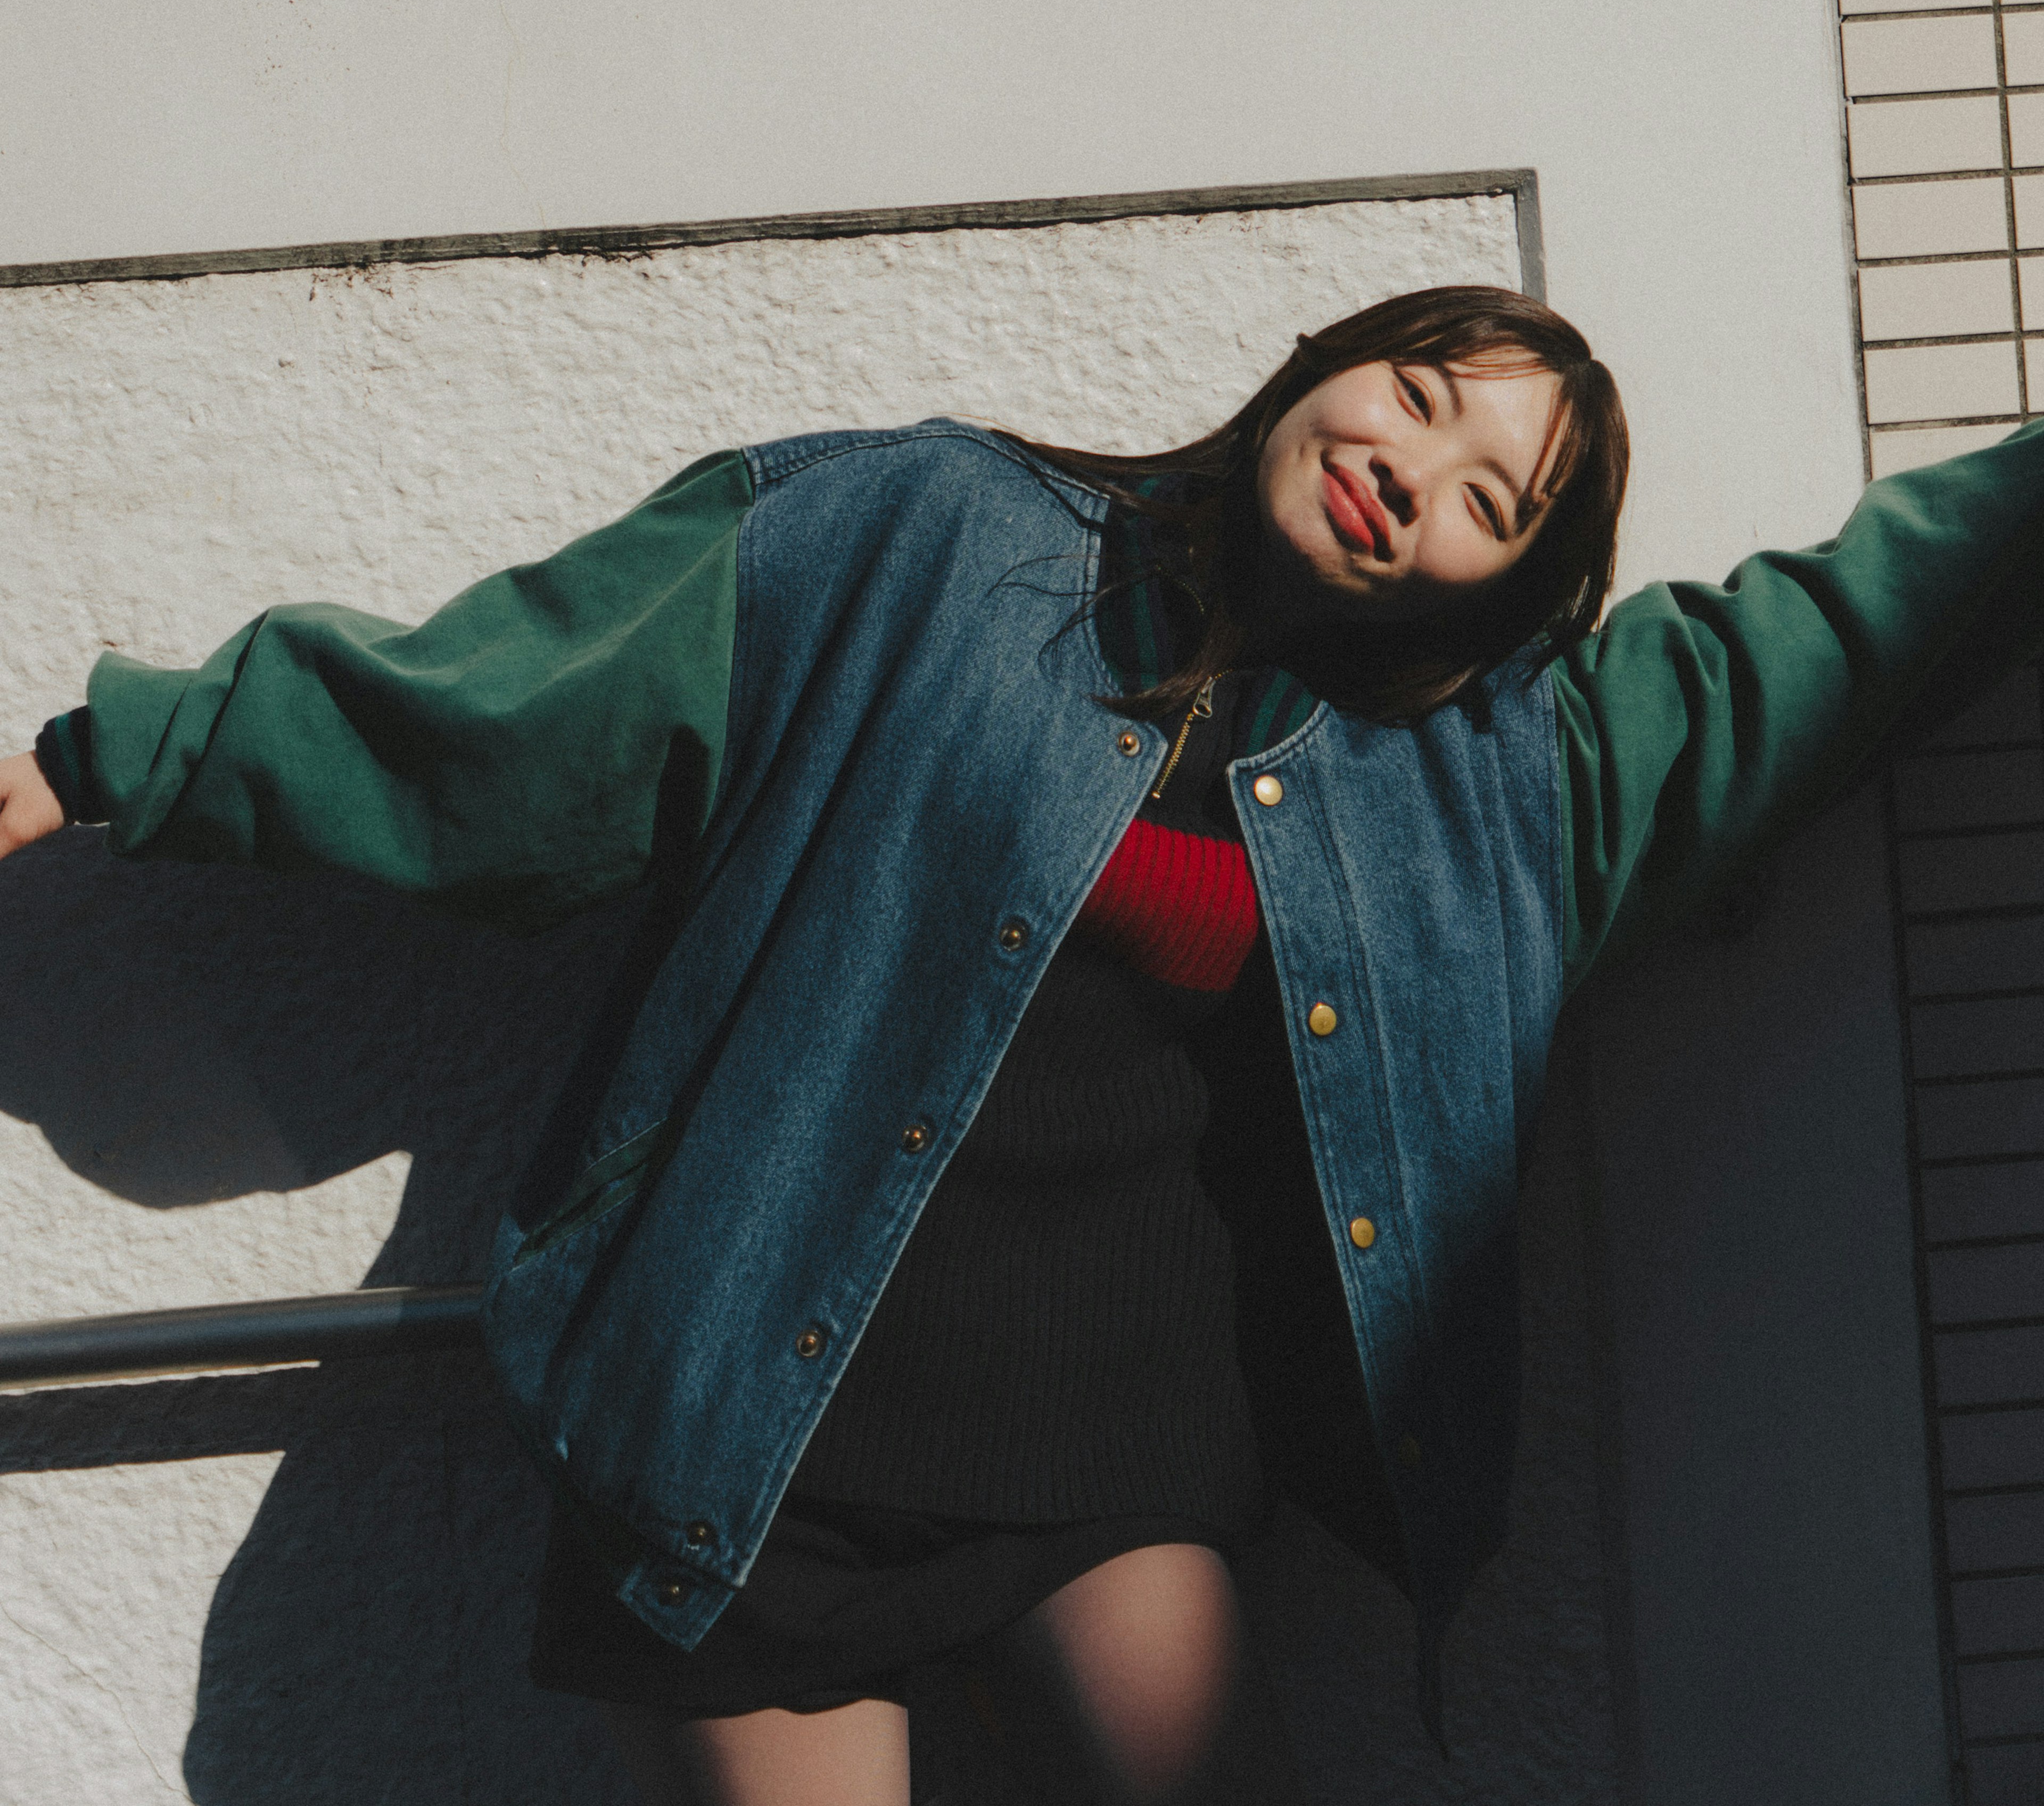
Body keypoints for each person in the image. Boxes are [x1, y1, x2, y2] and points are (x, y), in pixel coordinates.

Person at [2, 281, 2040, 1806]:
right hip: (753, 1438)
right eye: (1417, 397)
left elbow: (1835, 631)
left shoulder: (1501, 784)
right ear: (1340, 360)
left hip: (1124, 1467)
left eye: (1485, 498)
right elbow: (519, 713)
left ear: (1504, 583)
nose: (1410, 471)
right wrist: (122, 755)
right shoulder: (918, 537)